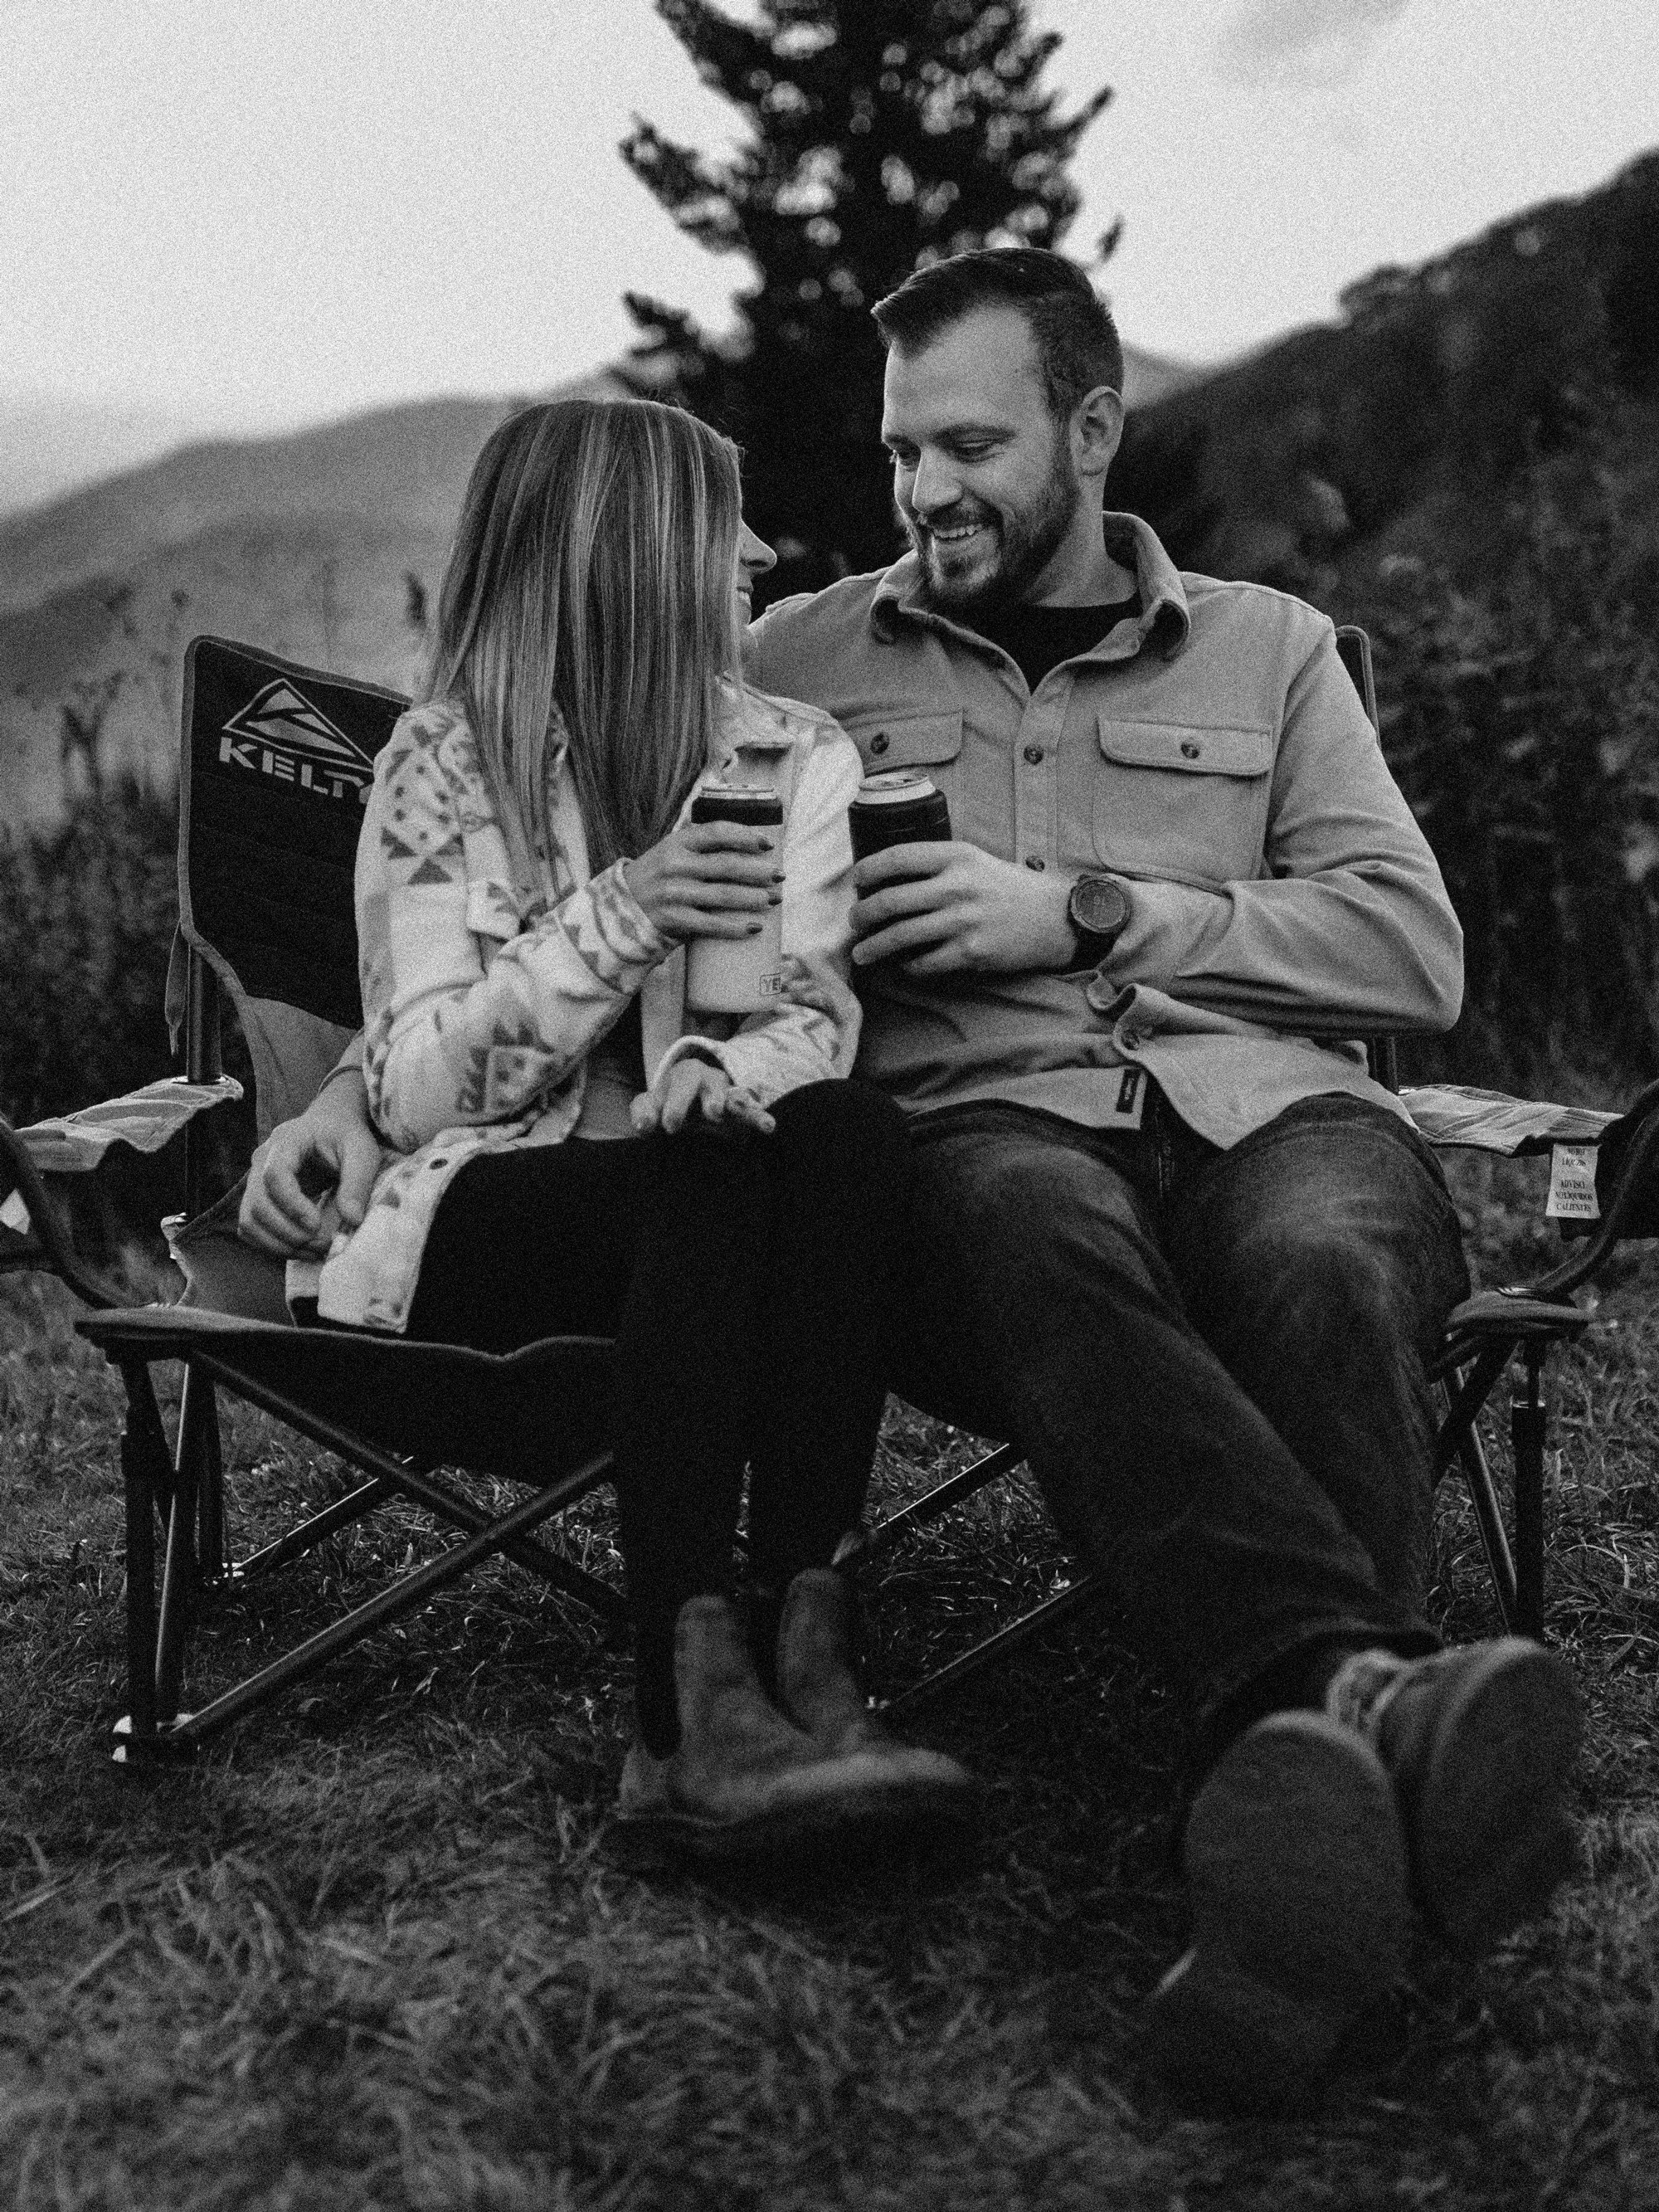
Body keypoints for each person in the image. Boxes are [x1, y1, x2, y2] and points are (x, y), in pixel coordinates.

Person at [242, 259, 1580, 2112]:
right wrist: (352, 1095)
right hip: (991, 1135)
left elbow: (1412, 954)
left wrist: (1088, 912)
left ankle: (1313, 1781)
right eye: (899, 452)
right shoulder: (794, 661)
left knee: (1328, 1254)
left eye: (967, 446)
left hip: (1272, 1109)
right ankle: (1363, 1720)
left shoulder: (1273, 650)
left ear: (1091, 433)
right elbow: (582, 758)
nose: (919, 490)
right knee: (1012, 1216)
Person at [264, 395, 971, 1865]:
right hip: (480, 1223)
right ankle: (682, 1711)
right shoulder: (443, 767)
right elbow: (414, 1087)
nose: (759, 558)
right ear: (635, 554)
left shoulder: (792, 758)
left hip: (709, 1217)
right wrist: (627, 912)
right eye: (726, 527)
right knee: (701, 1181)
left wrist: (726, 1075)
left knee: (844, 1133)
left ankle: (808, 1664)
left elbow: (811, 1013)